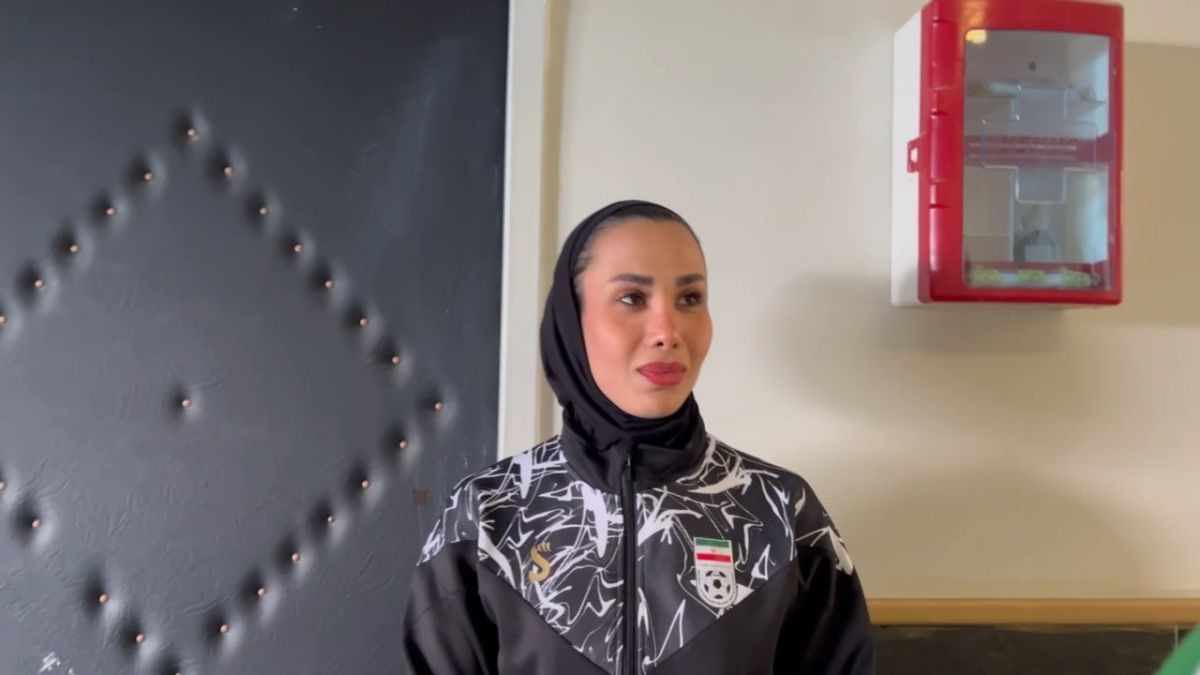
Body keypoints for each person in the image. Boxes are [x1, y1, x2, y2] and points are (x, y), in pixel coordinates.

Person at [402, 200, 876, 674]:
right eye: (632, 298)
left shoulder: (781, 510)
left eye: (689, 299)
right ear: (572, 319)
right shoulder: (488, 513)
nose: (667, 331)